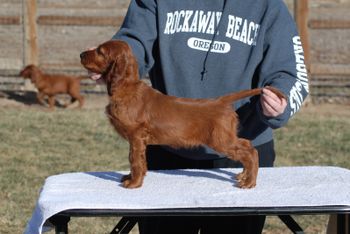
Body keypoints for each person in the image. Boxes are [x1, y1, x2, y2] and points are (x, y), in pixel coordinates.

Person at [89, 0, 309, 233]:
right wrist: (113, 59)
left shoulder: (268, 5)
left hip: (239, 146)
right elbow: (135, 40)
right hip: (167, 147)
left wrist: (280, 100)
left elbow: (291, 72)